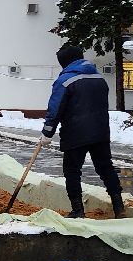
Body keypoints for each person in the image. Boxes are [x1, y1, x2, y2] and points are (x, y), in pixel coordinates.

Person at [42, 43, 125, 219]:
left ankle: (78, 211)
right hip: (100, 132)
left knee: (72, 171)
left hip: (75, 133)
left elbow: (55, 109)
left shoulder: (64, 80)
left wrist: (47, 132)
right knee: (105, 168)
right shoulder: (98, 78)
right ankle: (119, 206)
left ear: (65, 62)